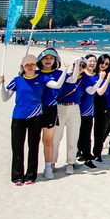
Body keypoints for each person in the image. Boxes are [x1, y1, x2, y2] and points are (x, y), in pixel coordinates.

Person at [0, 54, 64, 185]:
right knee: (17, 146)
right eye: (27, 65)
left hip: (36, 116)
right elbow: (5, 97)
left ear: (35, 65)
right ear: (22, 66)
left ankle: (31, 176)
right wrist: (1, 84)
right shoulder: (17, 80)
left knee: (33, 146)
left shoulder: (42, 78)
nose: (30, 67)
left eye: (32, 64)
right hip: (19, 117)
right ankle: (17, 176)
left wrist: (65, 70)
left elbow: (57, 85)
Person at [36, 48, 69, 179]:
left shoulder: (60, 73)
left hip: (51, 109)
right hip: (36, 108)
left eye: (51, 58)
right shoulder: (36, 73)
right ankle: (32, 168)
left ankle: (48, 167)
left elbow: (72, 80)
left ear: (56, 60)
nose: (48, 60)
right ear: (40, 60)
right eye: (45, 58)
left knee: (48, 140)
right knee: (34, 140)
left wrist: (72, 66)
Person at [77, 55, 110, 168]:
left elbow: (100, 91)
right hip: (81, 107)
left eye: (94, 61)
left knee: (93, 130)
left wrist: (104, 79)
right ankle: (81, 153)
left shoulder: (97, 75)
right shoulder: (82, 75)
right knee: (83, 132)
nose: (92, 63)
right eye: (90, 61)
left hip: (94, 106)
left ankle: (92, 154)